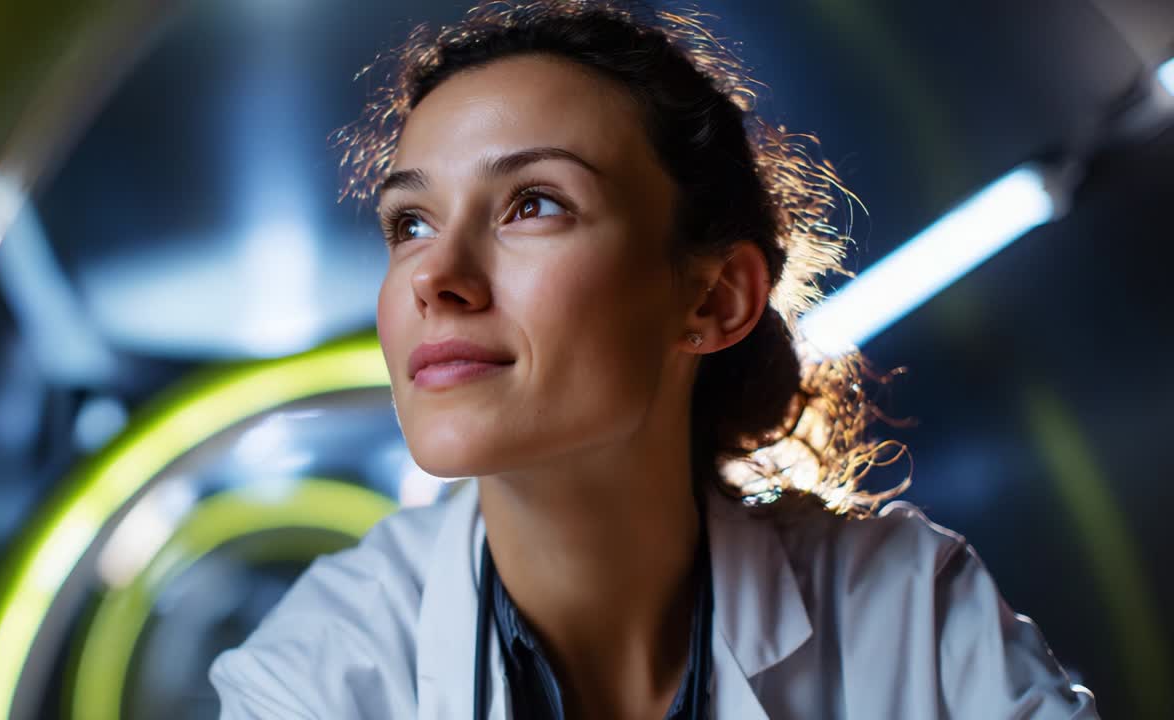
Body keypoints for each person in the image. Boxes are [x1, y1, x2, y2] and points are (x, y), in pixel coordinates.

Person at [209, 1, 1099, 717]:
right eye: (411, 222)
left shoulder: (915, 619)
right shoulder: (313, 679)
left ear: (713, 301)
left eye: (534, 205)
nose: (435, 278)